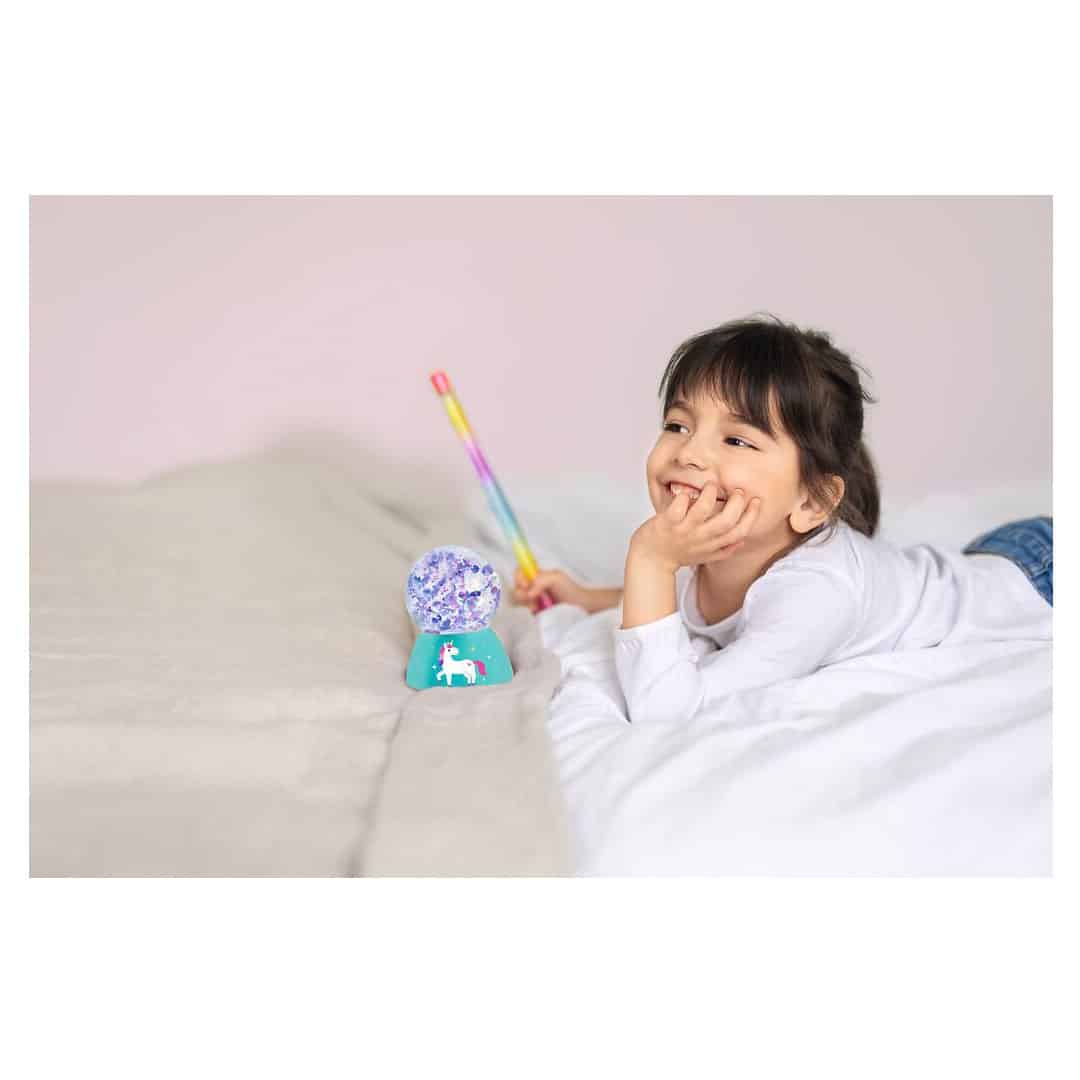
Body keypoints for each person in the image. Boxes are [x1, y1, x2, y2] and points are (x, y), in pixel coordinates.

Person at [511, 314, 1052, 726]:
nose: (689, 453)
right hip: (992, 556)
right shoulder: (723, 548)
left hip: (1037, 581)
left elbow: (667, 711)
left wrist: (649, 558)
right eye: (678, 425)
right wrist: (588, 597)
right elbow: (683, 601)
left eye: (737, 440)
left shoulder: (815, 593)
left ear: (812, 502)